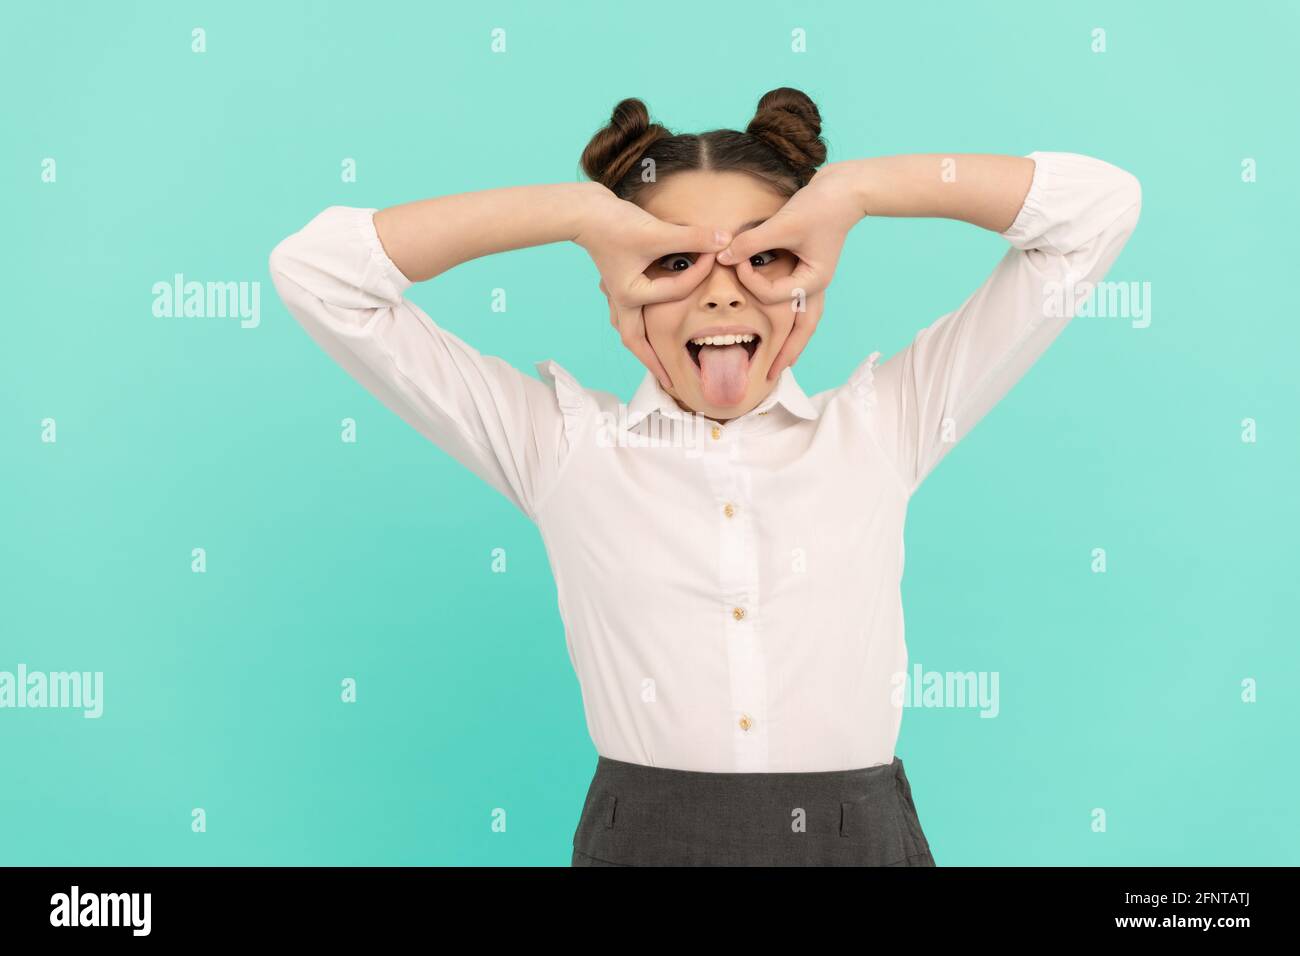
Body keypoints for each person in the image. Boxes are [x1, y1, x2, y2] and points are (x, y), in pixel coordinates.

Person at [268, 87, 1142, 866]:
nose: (723, 295)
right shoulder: (563, 447)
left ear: (815, 278)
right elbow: (319, 274)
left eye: (767, 256)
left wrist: (856, 193)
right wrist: (578, 215)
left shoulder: (885, 425)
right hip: (643, 842)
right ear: (616, 287)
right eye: (673, 262)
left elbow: (1097, 212)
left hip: (857, 844)